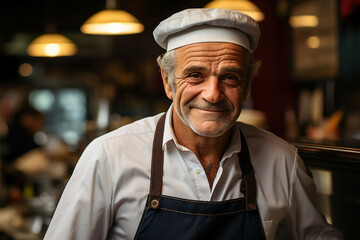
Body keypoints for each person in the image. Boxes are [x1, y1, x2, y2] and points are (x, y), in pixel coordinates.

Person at [44, 8, 343, 240]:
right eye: (195, 75)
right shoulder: (109, 156)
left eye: (230, 77)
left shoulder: (283, 162)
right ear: (168, 82)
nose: (213, 94)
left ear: (248, 86)